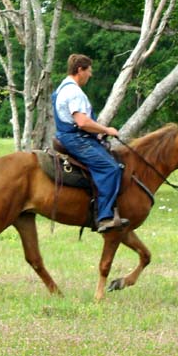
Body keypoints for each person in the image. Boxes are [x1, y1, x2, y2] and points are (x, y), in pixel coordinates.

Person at [52, 54, 129, 233]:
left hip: (72, 136)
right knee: (111, 168)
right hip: (76, 139)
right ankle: (104, 216)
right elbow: (83, 122)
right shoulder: (74, 92)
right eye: (89, 71)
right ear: (80, 70)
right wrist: (106, 130)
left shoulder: (62, 87)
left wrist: (98, 135)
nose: (90, 75)